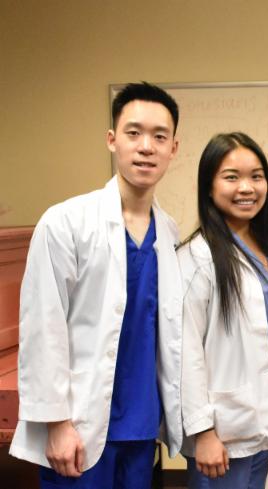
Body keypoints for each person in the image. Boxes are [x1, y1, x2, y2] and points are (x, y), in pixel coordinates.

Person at [10, 82, 183, 488]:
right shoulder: (65, 222)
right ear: (111, 140)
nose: (146, 147)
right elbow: (43, 328)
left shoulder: (170, 232)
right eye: (134, 133)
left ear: (173, 148)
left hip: (140, 426)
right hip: (78, 426)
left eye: (160, 137)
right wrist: (55, 423)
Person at [178, 132, 268, 489]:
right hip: (224, 423)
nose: (247, 187)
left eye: (256, 176)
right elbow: (185, 352)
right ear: (209, 187)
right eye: (231, 177)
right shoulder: (197, 257)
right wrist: (203, 431)